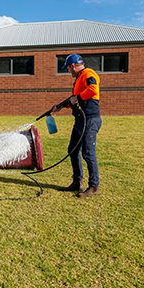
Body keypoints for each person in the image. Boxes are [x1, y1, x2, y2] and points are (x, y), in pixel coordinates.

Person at [52, 53, 102, 198]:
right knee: (72, 150)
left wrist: (77, 98)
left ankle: (93, 186)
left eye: (68, 69)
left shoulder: (88, 73)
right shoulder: (79, 78)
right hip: (80, 120)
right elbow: (74, 100)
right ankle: (77, 182)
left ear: (73, 66)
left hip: (90, 120)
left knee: (88, 153)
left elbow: (93, 89)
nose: (69, 72)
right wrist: (60, 106)